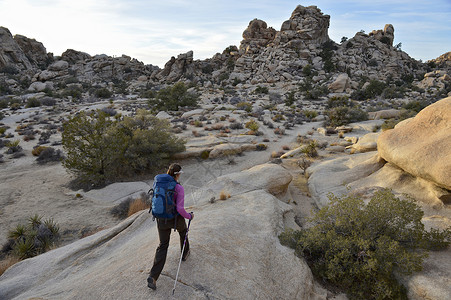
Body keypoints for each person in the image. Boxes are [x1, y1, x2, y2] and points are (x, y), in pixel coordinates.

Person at [147, 163, 193, 290]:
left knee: (163, 245)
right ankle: (185, 253)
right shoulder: (179, 187)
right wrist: (189, 216)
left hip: (160, 219)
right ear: (178, 175)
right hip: (174, 219)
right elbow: (180, 209)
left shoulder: (158, 181)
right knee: (183, 231)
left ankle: (153, 277)